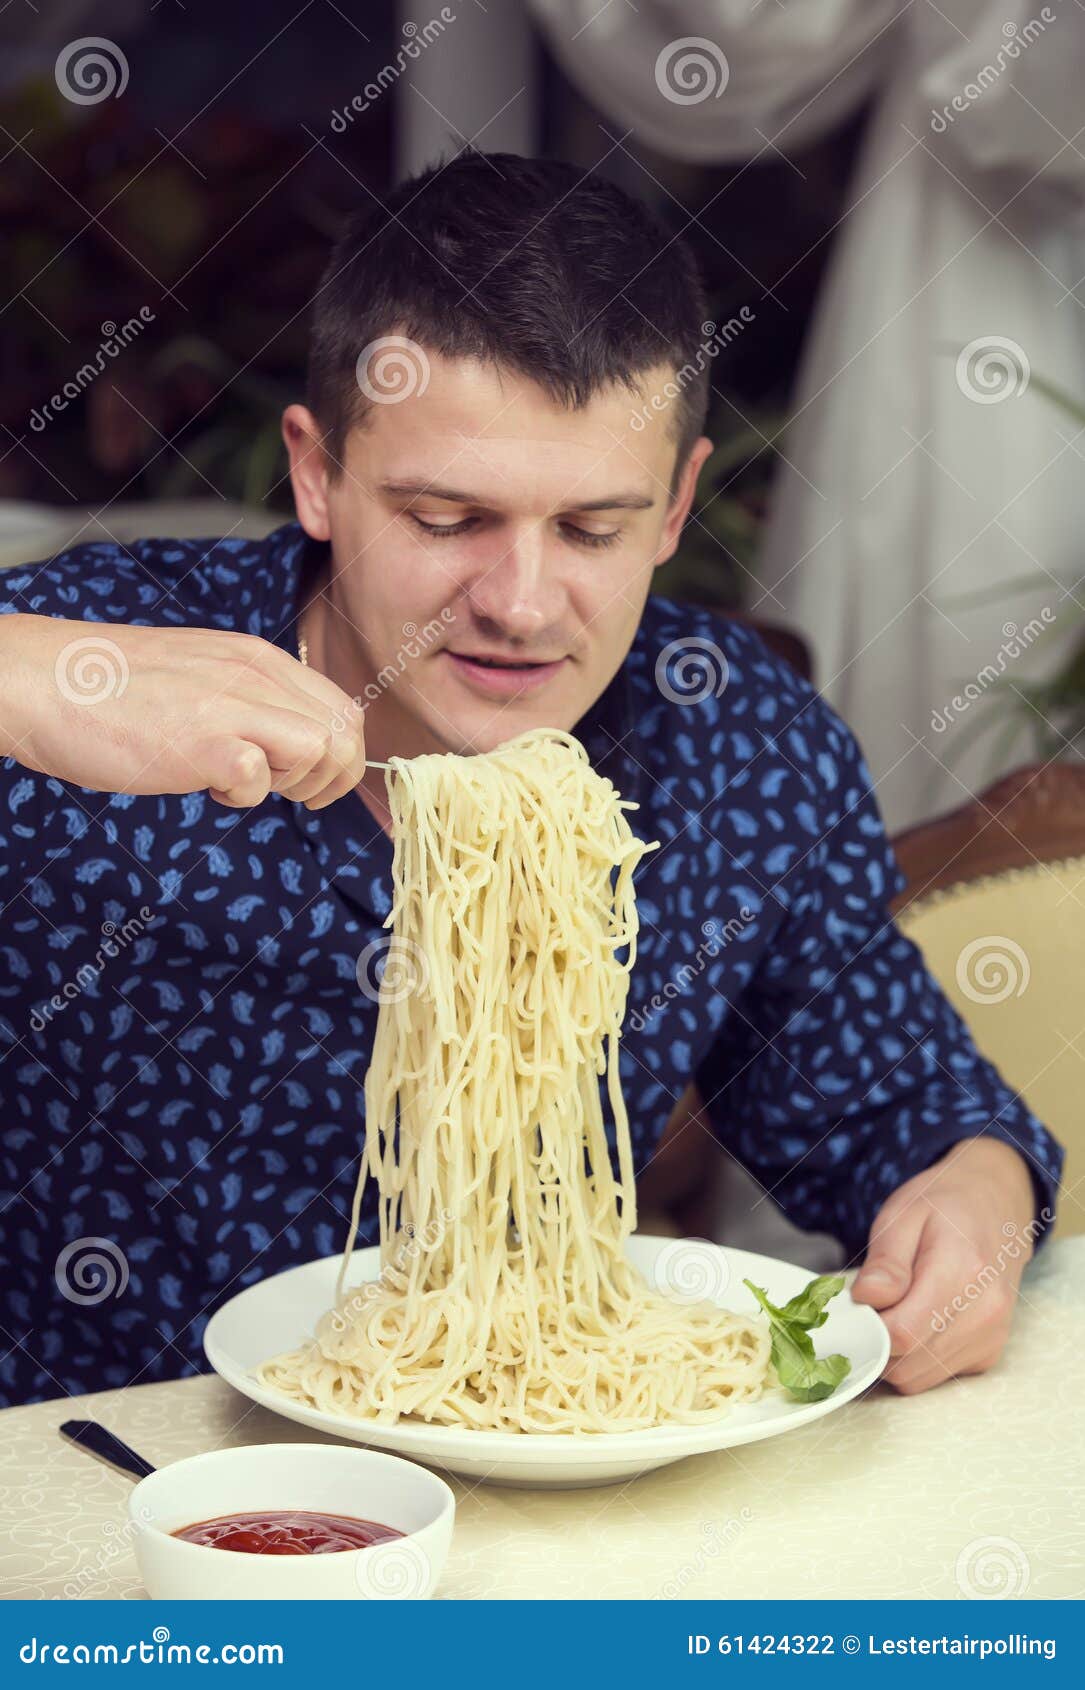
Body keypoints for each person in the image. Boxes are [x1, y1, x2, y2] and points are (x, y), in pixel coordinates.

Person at [0, 150, 1060, 1409]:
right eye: (447, 519)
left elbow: (906, 1109)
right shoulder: (91, 678)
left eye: (591, 530)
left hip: (546, 1498)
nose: (516, 603)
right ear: (316, 472)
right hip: (91, 1492)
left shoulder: (739, 750)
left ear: (674, 508)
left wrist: (970, 1197)